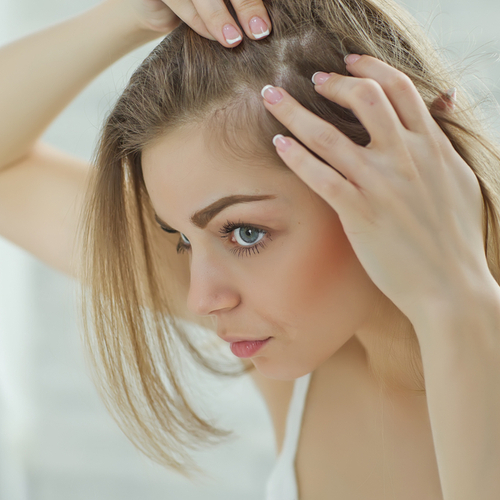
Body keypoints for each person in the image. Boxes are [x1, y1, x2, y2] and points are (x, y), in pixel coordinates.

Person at [1, 0, 500, 498]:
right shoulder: (304, 340)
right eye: (181, 239)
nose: (202, 298)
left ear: (402, 172)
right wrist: (130, 16)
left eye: (244, 233)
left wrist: (455, 301)